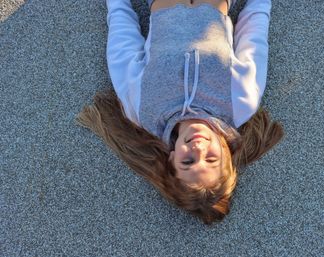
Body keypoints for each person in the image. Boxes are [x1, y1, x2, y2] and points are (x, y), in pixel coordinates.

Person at [77, 0, 284, 224]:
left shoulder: (143, 110)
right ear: (226, 154)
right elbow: (254, 35)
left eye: (188, 161)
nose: (198, 148)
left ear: (172, 159)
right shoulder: (241, 102)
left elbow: (122, 40)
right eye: (211, 158)